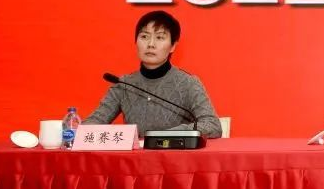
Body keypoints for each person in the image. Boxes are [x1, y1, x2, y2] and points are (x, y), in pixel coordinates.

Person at [84, 10, 224, 138]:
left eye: (159, 37)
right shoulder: (123, 84)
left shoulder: (188, 83)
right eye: (144, 36)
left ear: (173, 46)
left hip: (175, 156)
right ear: (136, 42)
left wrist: (168, 135)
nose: (151, 44)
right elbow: (92, 123)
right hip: (136, 158)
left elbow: (212, 125)